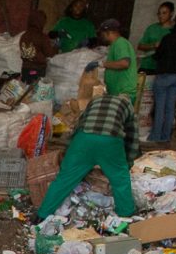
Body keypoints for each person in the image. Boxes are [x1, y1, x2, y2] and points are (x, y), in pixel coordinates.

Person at [34, 91, 140, 221]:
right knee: (120, 178)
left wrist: (69, 152)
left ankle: (42, 214)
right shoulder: (127, 106)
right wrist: (127, 163)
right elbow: (132, 137)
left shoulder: (95, 101)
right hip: (110, 140)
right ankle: (126, 214)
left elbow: (77, 126)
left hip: (84, 138)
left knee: (65, 178)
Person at [149, 11, 176, 144]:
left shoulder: (168, 38)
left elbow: (158, 55)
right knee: (170, 107)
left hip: (164, 75)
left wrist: (156, 50)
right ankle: (166, 136)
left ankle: (156, 136)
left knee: (160, 107)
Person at [98, 19, 138, 103]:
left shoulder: (120, 43)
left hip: (123, 94)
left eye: (102, 34)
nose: (102, 36)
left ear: (108, 32)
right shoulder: (115, 45)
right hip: (117, 93)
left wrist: (103, 64)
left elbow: (124, 63)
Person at [20, 10, 59, 81]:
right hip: (37, 70)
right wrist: (56, 48)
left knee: (25, 89)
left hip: (25, 69)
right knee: (35, 90)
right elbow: (49, 53)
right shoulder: (41, 36)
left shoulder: (24, 35)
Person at [136, 2, 174, 73]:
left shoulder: (174, 31)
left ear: (171, 14)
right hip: (146, 66)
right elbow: (140, 46)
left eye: (164, 13)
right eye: (159, 13)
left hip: (163, 68)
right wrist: (153, 45)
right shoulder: (152, 28)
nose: (161, 16)